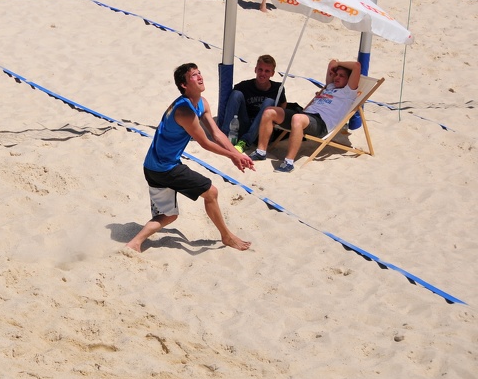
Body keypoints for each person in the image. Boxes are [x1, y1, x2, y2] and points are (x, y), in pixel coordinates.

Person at [126, 63, 254, 253]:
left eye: (199, 73)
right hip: (165, 168)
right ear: (184, 85)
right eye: (194, 75)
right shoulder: (184, 110)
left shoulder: (202, 103)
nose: (200, 77)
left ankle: (134, 243)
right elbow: (205, 143)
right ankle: (226, 236)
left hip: (152, 167)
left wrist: (236, 155)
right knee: (211, 192)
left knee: (169, 216)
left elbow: (217, 134)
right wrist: (232, 155)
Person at [249, 59, 361, 173]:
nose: (337, 77)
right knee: (269, 112)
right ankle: (261, 152)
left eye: (341, 75)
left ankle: (288, 162)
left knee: (297, 118)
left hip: (321, 124)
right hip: (305, 116)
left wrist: (339, 64)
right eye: (336, 74)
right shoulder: (331, 86)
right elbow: (331, 63)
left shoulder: (349, 92)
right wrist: (335, 65)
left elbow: (356, 66)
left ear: (349, 80)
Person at [216, 54, 287, 153]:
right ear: (255, 70)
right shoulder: (244, 86)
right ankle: (224, 134)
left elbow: (284, 103)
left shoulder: (278, 89)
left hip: (262, 131)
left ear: (272, 73)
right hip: (245, 124)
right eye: (260, 69)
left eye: (267, 71)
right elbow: (232, 102)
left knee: (269, 102)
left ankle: (245, 142)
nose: (262, 73)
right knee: (236, 94)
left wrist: (275, 121)